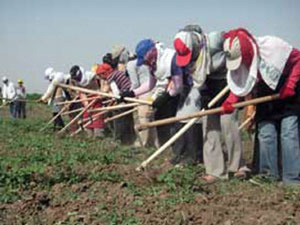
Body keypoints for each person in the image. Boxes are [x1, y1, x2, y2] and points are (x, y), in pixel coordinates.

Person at [222, 28, 300, 185]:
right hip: (265, 94)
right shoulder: (243, 61)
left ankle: (292, 179)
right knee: (265, 134)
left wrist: (290, 84)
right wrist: (231, 101)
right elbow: (241, 82)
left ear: (247, 51)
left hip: (289, 91)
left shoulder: (273, 46)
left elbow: (298, 59)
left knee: (288, 134)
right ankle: (269, 175)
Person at [173, 26, 248, 182]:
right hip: (208, 89)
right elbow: (197, 78)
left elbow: (238, 45)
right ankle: (215, 172)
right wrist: (204, 94)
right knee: (209, 129)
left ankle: (238, 167)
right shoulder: (192, 58)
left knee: (228, 126)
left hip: (227, 86)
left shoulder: (215, 40)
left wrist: (236, 94)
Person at [96, 62, 136, 145]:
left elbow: (116, 93)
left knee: (118, 115)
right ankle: (130, 139)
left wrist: (112, 98)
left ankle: (119, 140)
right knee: (128, 118)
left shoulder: (110, 77)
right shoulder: (117, 73)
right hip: (131, 94)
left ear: (104, 73)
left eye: (100, 76)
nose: (101, 78)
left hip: (126, 96)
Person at [126, 59, 159, 148]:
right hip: (154, 92)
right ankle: (155, 144)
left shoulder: (130, 65)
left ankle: (144, 144)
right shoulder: (150, 62)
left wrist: (128, 94)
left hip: (143, 93)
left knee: (143, 119)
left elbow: (135, 83)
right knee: (151, 120)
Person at [69, 65, 105, 138]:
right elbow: (81, 93)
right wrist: (87, 104)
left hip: (97, 97)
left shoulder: (91, 75)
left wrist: (101, 91)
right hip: (87, 99)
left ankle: (98, 136)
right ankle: (89, 135)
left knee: (97, 117)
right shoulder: (76, 82)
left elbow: (102, 80)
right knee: (87, 117)